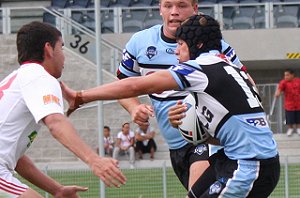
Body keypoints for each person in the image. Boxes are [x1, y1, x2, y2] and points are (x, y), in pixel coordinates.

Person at [61, 14, 280, 197]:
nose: (176, 52)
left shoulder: (201, 67)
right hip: (237, 158)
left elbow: (136, 85)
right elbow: (235, 125)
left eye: (181, 45)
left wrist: (81, 96)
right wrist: (191, 124)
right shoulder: (230, 68)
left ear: (198, 45)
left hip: (248, 165)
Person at [113, 0, 257, 190]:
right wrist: (134, 107)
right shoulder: (140, 42)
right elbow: (123, 85)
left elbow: (249, 85)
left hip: (210, 142)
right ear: (160, 9)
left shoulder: (214, 45)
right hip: (176, 148)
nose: (174, 12)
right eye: (168, 6)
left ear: (195, 9)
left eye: (181, 6)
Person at [0, 21, 126, 197]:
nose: (64, 56)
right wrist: (94, 160)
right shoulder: (39, 76)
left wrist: (56, 189)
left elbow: (16, 158)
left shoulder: (21, 77)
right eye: (62, 47)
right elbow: (56, 123)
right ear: (49, 49)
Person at [275, 69, 300, 136]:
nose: (286, 77)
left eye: (287, 75)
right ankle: (290, 129)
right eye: (285, 75)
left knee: (298, 117)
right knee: (289, 117)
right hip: (289, 104)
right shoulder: (283, 82)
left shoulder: (298, 81)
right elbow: (280, 89)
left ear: (292, 75)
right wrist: (277, 93)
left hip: (298, 103)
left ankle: (298, 129)